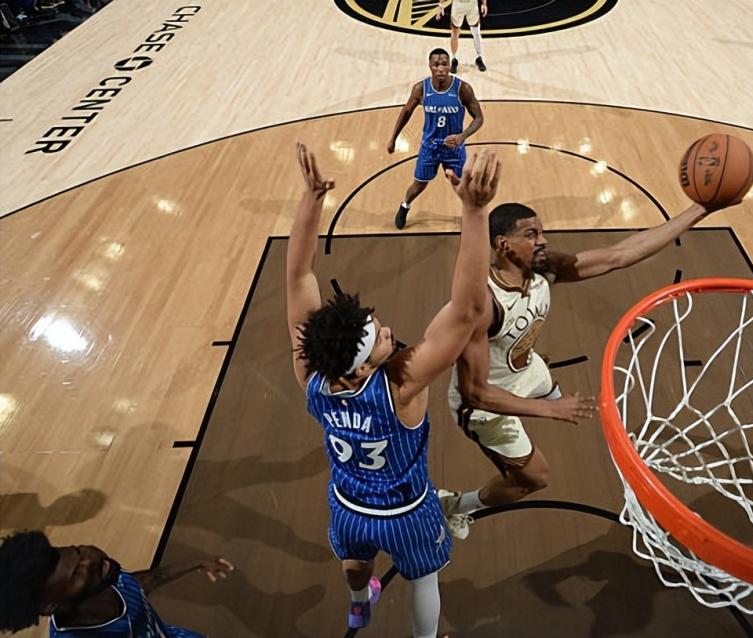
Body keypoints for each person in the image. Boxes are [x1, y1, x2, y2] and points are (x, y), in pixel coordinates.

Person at [286, 142, 500, 636]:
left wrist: (312, 198)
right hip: (406, 511)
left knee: (355, 562)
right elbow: (468, 311)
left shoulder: (312, 374)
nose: (385, 330)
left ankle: (359, 604)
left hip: (348, 504)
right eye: (377, 338)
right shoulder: (402, 384)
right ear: (362, 369)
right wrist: (474, 212)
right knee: (424, 580)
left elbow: (298, 278)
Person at [440, 198, 742, 538]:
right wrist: (550, 410)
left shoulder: (544, 269)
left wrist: (701, 210)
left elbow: (619, 255)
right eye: (531, 234)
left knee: (549, 384)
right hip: (484, 407)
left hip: (525, 370)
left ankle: (550, 395)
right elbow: (475, 392)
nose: (543, 240)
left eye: (542, 232)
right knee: (535, 478)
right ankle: (454, 505)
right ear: (502, 244)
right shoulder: (484, 304)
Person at [0, 530, 232, 636]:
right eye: (77, 574)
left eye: (78, 550)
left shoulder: (110, 580)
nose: (92, 559)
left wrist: (197, 562)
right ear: (53, 605)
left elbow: (148, 580)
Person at [388, 48, 484, 230]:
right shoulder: (421, 88)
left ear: (449, 66)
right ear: (429, 66)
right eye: (436, 64)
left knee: (462, 185)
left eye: (444, 64)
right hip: (430, 147)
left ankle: (471, 214)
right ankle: (405, 205)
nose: (440, 68)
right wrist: (393, 138)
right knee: (419, 184)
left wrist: (462, 136)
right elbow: (406, 111)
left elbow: (479, 118)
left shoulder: (462, 89)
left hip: (454, 149)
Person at [435, 0, 488, 74]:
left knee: (476, 32)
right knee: (455, 32)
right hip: (458, 4)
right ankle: (454, 59)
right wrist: (441, 5)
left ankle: (479, 57)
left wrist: (484, 3)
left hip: (472, 4)